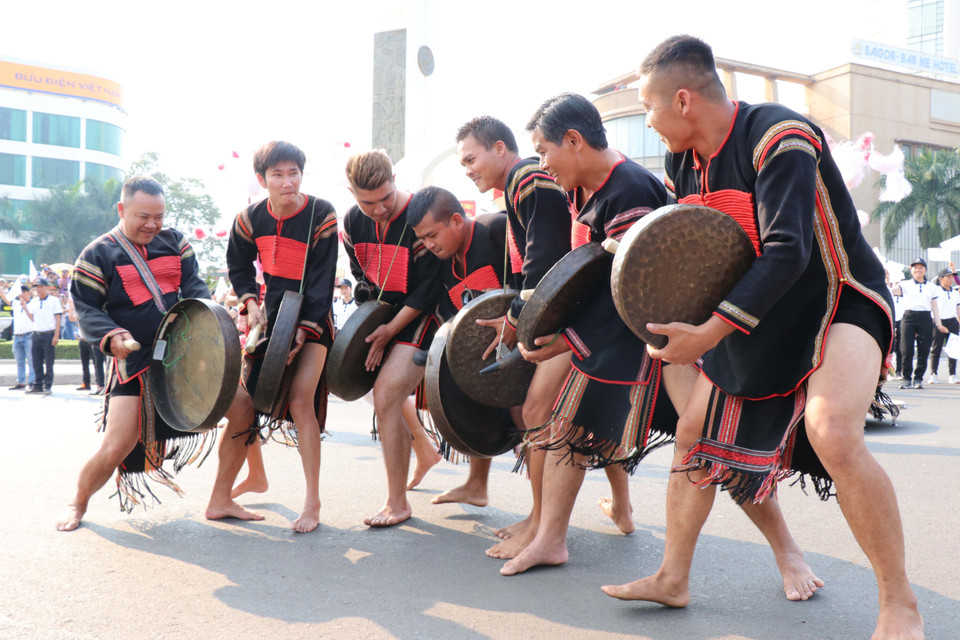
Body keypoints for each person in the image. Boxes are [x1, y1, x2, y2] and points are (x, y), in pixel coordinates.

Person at [602, 36, 923, 640]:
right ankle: (673, 577)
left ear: (683, 99)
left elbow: (788, 251)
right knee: (696, 431)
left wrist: (706, 337)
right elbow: (697, 245)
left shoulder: (780, 138)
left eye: (648, 107)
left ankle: (899, 603)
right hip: (763, 313)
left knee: (831, 432)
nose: (648, 120)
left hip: (839, 298)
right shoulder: (683, 160)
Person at [501, 95, 819, 598]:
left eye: (544, 153)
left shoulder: (629, 190)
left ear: (574, 141)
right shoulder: (587, 191)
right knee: (573, 425)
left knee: (715, 446)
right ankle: (551, 535)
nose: (542, 166)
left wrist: (570, 337)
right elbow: (584, 280)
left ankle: (787, 552)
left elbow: (639, 293)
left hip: (670, 338)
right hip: (632, 338)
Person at [455, 116, 600, 558]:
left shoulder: (526, 177)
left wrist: (518, 318)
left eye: (471, 158)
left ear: (500, 148)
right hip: (567, 313)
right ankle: (543, 519)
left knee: (537, 409)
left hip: (576, 316)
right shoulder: (520, 183)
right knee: (547, 414)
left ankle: (544, 527)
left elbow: (546, 257)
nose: (467, 169)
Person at [56, 176, 214, 531]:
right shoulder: (97, 254)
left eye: (159, 217)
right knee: (117, 445)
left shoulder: (176, 242)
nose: (153, 225)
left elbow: (194, 286)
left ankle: (223, 498)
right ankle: (77, 502)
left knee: (241, 407)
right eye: (144, 216)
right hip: (134, 362)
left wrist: (212, 315)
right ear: (122, 209)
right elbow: (86, 307)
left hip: (183, 355)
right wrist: (112, 334)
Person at [206, 141, 339, 533]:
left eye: (293, 172)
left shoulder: (322, 213)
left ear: (302, 173)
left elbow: (321, 280)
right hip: (267, 319)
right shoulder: (247, 219)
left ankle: (312, 502)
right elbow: (238, 266)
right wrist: (249, 301)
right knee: (249, 402)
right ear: (262, 180)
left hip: (314, 320)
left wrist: (303, 330)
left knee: (301, 402)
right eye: (277, 175)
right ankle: (255, 476)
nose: (287, 182)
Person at [342, 149, 443, 527]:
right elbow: (362, 278)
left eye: (386, 197)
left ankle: (397, 503)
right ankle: (423, 454)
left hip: (424, 313)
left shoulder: (419, 212)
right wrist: (373, 329)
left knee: (386, 396)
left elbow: (428, 289)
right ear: (352, 192)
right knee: (385, 395)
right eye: (368, 202)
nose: (380, 208)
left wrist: (389, 331)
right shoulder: (352, 222)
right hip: (383, 315)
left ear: (395, 182)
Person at [408, 185, 511, 508]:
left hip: (532, 342)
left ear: (456, 220)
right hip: (487, 356)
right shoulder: (444, 262)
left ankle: (620, 501)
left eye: (432, 235)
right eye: (422, 239)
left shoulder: (496, 230)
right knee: (474, 402)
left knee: (567, 426)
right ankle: (476, 486)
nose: (429, 245)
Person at [892, 258, 941, 389]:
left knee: (923, 350)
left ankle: (918, 378)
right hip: (908, 318)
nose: (918, 270)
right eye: (915, 267)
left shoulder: (932, 287)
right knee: (906, 349)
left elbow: (935, 306)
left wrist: (939, 323)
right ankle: (906, 378)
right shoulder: (905, 284)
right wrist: (887, 284)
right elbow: (893, 291)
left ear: (925, 270)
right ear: (911, 269)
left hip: (925, 317)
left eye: (921, 267)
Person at [24, 278, 62, 395]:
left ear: (46, 287)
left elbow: (58, 319)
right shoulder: (34, 301)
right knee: (36, 361)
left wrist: (56, 336)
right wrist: (25, 308)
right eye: (37, 287)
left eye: (41, 286)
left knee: (49, 362)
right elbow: (32, 318)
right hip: (36, 334)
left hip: (48, 334)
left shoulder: (54, 301)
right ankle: (38, 384)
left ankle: (48, 385)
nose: (39, 289)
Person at [927, 267, 959, 384]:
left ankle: (952, 374)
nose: (951, 279)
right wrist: (936, 322)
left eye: (952, 277)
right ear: (941, 279)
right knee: (936, 348)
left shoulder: (955, 293)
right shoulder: (936, 291)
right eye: (948, 277)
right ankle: (933, 374)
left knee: (953, 349)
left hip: (952, 322)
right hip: (938, 321)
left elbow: (958, 309)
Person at [7, 284, 35, 390]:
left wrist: (25, 306)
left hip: (29, 335)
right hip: (17, 336)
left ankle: (32, 381)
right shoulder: (15, 303)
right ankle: (21, 382)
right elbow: (6, 298)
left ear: (29, 292)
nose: (22, 294)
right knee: (20, 361)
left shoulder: (33, 303)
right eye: (21, 292)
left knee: (31, 360)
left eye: (24, 291)